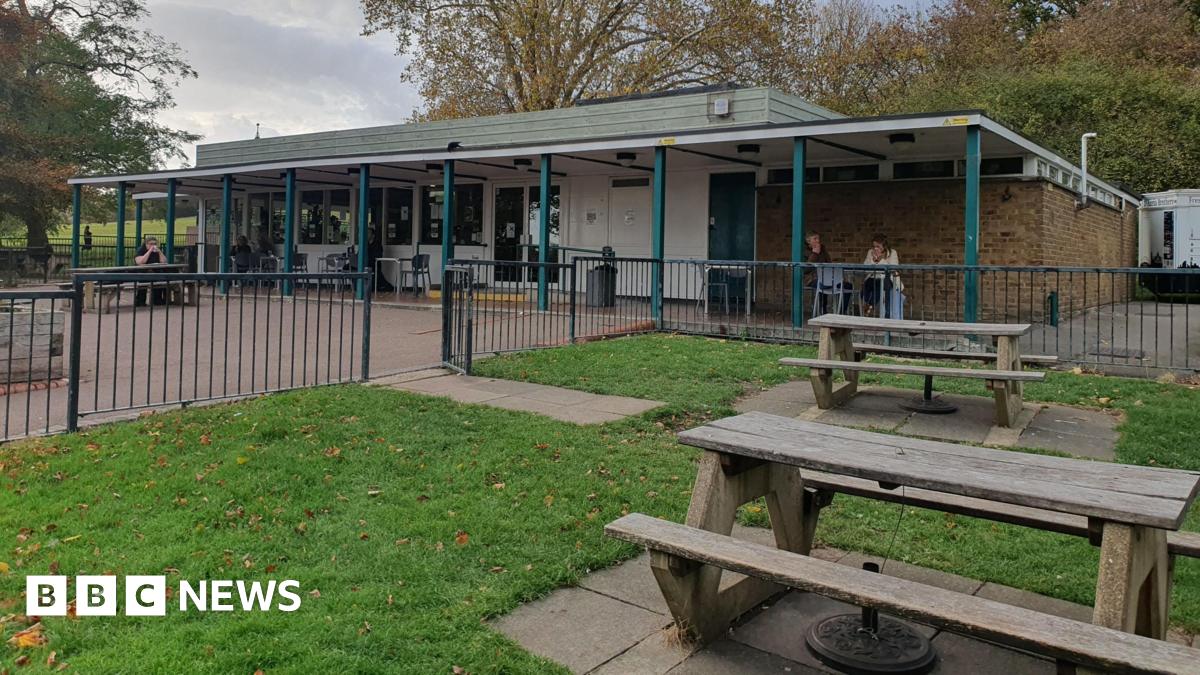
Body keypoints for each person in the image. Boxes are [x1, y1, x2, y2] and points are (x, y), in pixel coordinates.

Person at [861, 234, 903, 317]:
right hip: (873, 277)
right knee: (865, 288)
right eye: (874, 246)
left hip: (887, 279)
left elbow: (893, 268)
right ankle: (869, 304)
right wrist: (873, 261)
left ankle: (870, 305)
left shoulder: (892, 253)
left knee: (880, 285)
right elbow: (865, 268)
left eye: (878, 246)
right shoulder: (870, 252)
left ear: (884, 246)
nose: (875, 249)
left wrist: (880, 260)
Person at [133, 236, 168, 306]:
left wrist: (160, 252)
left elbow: (164, 262)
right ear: (146, 244)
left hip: (155, 271)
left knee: (161, 279)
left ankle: (157, 300)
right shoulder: (141, 250)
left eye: (155, 244)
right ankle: (140, 301)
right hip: (142, 272)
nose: (153, 245)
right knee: (143, 281)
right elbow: (140, 262)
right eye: (151, 244)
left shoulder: (157, 251)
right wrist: (149, 251)